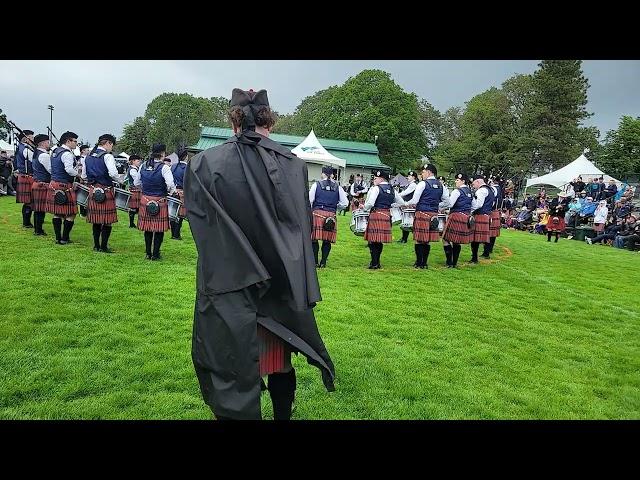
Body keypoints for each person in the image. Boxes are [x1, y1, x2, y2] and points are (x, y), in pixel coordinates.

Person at [184, 87, 335, 420]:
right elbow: (300, 231)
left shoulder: (204, 163)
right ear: (269, 119)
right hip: (279, 282)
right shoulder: (294, 165)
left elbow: (204, 230)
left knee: (234, 361)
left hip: (230, 282)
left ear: (233, 120)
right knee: (279, 360)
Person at [135, 143, 176, 260]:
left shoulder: (143, 166)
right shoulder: (164, 167)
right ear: (163, 153)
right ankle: (156, 254)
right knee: (158, 229)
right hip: (160, 199)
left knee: (148, 228)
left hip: (145, 199)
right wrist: (169, 192)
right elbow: (170, 184)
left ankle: (148, 253)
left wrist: (146, 190)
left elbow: (137, 183)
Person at [406, 163, 449, 269]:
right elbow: (447, 202)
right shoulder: (441, 185)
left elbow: (415, 200)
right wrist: (437, 206)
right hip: (433, 215)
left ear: (429, 172)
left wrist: (405, 204)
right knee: (427, 240)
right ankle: (424, 263)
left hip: (422, 213)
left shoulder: (422, 184)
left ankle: (419, 262)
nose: (422, 174)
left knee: (419, 239)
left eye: (423, 172)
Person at [83, 134, 120, 253]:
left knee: (96, 219)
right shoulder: (107, 156)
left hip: (93, 190)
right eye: (112, 145)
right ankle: (103, 247)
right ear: (108, 143)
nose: (111, 148)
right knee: (107, 221)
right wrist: (120, 180)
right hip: (106, 189)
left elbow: (83, 175)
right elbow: (113, 173)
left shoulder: (87, 156)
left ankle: (96, 245)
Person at [363, 170, 406, 269]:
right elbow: (402, 203)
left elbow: (370, 203)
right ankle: (377, 262)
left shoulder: (376, 189)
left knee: (373, 240)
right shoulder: (392, 190)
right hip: (386, 215)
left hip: (376, 214)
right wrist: (390, 205)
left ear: (381, 178)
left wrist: (364, 208)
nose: (374, 180)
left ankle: (374, 263)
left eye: (376, 178)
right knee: (380, 241)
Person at [309, 165, 349, 268]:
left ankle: (314, 262)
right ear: (332, 175)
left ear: (322, 174)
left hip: (317, 214)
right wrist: (335, 208)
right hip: (331, 215)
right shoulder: (338, 187)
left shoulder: (316, 185)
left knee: (314, 239)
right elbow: (345, 203)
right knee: (327, 240)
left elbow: (310, 200)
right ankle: (323, 262)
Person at [48, 131, 80, 244]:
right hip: (64, 185)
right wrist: (78, 174)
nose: (76, 143)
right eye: (75, 141)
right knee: (71, 213)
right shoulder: (67, 154)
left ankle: (58, 238)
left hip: (54, 183)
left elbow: (51, 168)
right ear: (68, 141)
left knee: (57, 212)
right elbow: (69, 170)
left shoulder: (55, 151)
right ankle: (65, 238)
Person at [441, 173, 472, 268]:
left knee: (445, 239)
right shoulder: (470, 192)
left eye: (457, 180)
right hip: (465, 217)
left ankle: (449, 261)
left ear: (463, 181)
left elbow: (450, 204)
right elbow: (475, 205)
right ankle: (454, 263)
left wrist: (441, 207)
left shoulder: (457, 191)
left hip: (455, 217)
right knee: (457, 241)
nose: (456, 181)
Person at [469, 174, 494, 263]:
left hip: (479, 215)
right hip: (486, 215)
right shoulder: (490, 190)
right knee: (481, 237)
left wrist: (469, 210)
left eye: (473, 184)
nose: (473, 186)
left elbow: (478, 205)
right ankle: (485, 253)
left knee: (475, 239)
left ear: (478, 182)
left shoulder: (481, 191)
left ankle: (474, 258)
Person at [30, 134, 52, 236]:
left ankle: (38, 229)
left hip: (37, 183)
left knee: (38, 208)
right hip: (42, 184)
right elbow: (51, 170)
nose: (49, 143)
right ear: (43, 143)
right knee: (40, 209)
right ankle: (38, 230)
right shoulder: (44, 155)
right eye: (48, 142)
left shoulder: (36, 153)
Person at [14, 129, 35, 227]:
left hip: (23, 175)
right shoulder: (26, 149)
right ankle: (26, 222)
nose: (33, 139)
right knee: (29, 201)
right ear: (25, 139)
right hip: (27, 175)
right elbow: (34, 162)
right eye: (31, 137)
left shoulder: (20, 147)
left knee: (28, 201)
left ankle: (26, 222)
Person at [170, 146, 188, 240]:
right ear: (185, 156)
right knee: (180, 214)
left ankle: (173, 233)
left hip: (173, 191)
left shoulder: (173, 166)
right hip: (182, 192)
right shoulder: (187, 168)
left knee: (173, 213)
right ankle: (176, 234)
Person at [397, 170, 418, 244]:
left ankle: (405, 239)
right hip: (407, 205)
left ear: (414, 177)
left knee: (408, 223)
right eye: (408, 176)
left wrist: (397, 195)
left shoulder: (413, 185)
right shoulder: (409, 184)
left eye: (409, 176)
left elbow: (406, 193)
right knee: (406, 222)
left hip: (410, 205)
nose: (408, 177)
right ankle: (404, 238)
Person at [125, 155, 142, 228]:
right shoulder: (132, 169)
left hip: (137, 190)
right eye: (138, 161)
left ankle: (137, 223)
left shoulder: (135, 169)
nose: (139, 162)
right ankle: (131, 224)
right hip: (134, 190)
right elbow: (136, 180)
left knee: (138, 208)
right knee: (133, 208)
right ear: (133, 161)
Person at [77, 144, 91, 217]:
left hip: (87, 179)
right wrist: (81, 179)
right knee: (83, 196)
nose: (88, 151)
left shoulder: (86, 158)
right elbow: (79, 170)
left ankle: (86, 212)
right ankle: (82, 213)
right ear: (83, 151)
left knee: (87, 196)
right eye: (87, 150)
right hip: (83, 180)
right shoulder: (82, 159)